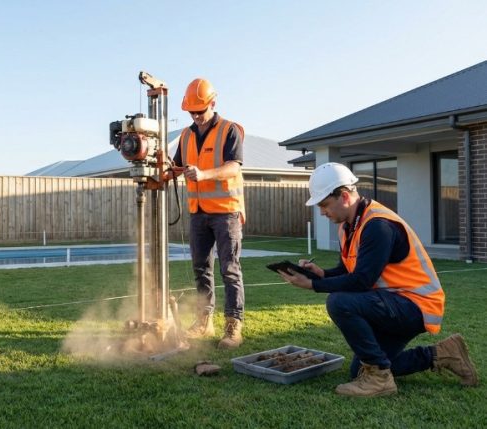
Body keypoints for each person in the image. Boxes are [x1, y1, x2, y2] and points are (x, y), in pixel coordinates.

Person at [277, 162, 478, 397]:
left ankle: (380, 378)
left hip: (415, 306)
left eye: (324, 205)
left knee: (339, 302)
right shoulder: (349, 226)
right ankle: (443, 354)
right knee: (359, 370)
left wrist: (313, 285)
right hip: (393, 304)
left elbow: (361, 280)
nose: (322, 212)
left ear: (343, 196)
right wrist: (321, 274)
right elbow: (348, 271)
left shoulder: (377, 225)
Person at [172, 77, 246, 349]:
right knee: (201, 269)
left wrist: (203, 175)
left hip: (226, 212)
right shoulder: (186, 135)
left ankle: (233, 326)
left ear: (212, 103)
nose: (196, 116)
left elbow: (233, 167)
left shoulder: (229, 130)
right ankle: (204, 322)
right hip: (198, 212)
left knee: (230, 270)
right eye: (191, 112)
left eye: (199, 111)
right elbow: (177, 167)